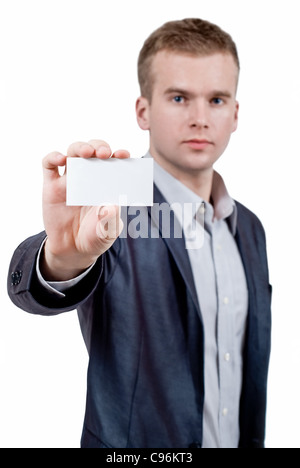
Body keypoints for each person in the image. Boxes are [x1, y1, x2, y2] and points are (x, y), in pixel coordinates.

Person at [8, 18, 272, 448]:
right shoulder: (111, 210)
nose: (200, 118)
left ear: (236, 113)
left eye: (218, 99)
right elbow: (39, 279)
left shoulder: (251, 228)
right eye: (180, 97)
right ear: (143, 111)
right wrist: (63, 257)